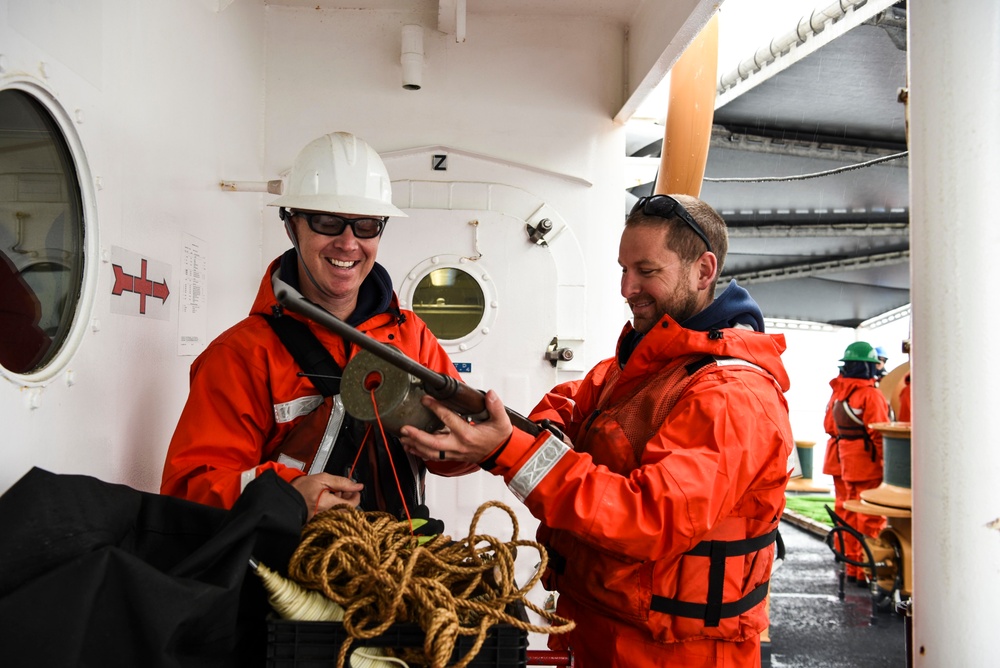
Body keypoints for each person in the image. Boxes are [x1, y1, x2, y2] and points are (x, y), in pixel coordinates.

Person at [400, 194, 795, 668]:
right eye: (623, 270)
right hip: (598, 635)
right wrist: (480, 435)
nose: (628, 288)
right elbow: (564, 410)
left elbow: (649, 518)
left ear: (703, 271)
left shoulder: (733, 395)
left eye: (646, 271)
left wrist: (510, 449)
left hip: (676, 654)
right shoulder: (634, 368)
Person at [161, 132, 475, 521]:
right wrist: (287, 496)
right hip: (292, 569)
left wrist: (463, 446)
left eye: (366, 226)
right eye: (327, 222)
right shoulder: (241, 356)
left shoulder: (413, 336)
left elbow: (454, 459)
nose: (348, 244)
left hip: (399, 559)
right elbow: (188, 489)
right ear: (292, 226)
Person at [823, 341, 889, 582]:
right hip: (867, 465)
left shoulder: (839, 392)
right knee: (871, 518)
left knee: (848, 513)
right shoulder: (870, 395)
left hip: (845, 462)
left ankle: (852, 566)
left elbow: (828, 425)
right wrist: (889, 467)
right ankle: (866, 570)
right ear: (868, 367)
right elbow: (880, 434)